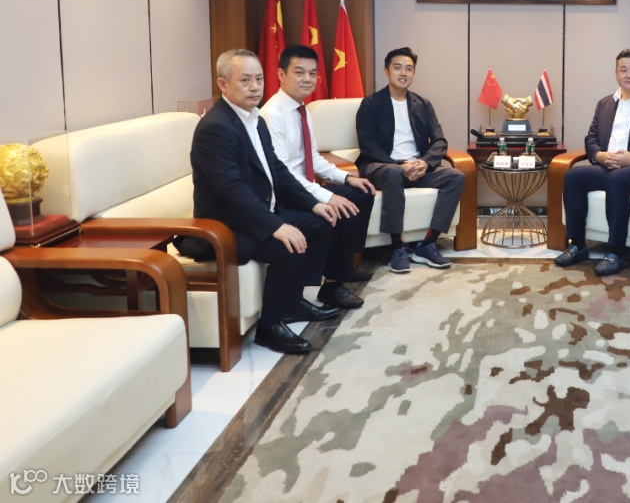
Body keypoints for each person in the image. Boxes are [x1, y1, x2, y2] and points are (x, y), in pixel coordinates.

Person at [191, 49, 355, 355]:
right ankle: (270, 328)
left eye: (258, 79)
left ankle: (292, 302)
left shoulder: (255, 119)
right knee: (287, 245)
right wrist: (276, 226)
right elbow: (232, 190)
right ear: (223, 84)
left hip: (257, 212)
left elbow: (278, 170)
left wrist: (313, 203)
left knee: (320, 222)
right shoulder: (216, 128)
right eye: (245, 80)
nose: (255, 87)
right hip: (226, 225)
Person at [261, 45, 377, 302]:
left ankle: (342, 267)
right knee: (341, 208)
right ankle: (331, 286)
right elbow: (284, 174)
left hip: (306, 186)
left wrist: (347, 178)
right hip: (287, 194)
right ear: (281, 74)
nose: (307, 79)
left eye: (312, 73)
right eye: (299, 72)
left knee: (362, 193)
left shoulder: (302, 109)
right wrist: (327, 197)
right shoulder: (271, 115)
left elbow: (312, 158)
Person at [555, 49, 630, 276]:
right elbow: (591, 138)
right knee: (574, 176)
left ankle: (616, 252)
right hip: (607, 166)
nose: (629, 75)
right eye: (624, 70)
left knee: (617, 179)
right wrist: (599, 156)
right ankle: (577, 245)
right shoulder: (605, 104)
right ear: (616, 74)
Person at [355, 47, 465, 274]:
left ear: (414, 73)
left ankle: (428, 243)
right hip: (383, 167)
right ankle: (397, 246)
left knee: (456, 177)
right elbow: (367, 144)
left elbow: (440, 140)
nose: (403, 73)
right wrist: (399, 166)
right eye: (397, 67)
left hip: (417, 167)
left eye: (409, 69)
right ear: (386, 71)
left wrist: (424, 163)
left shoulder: (423, 104)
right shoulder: (371, 103)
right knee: (394, 173)